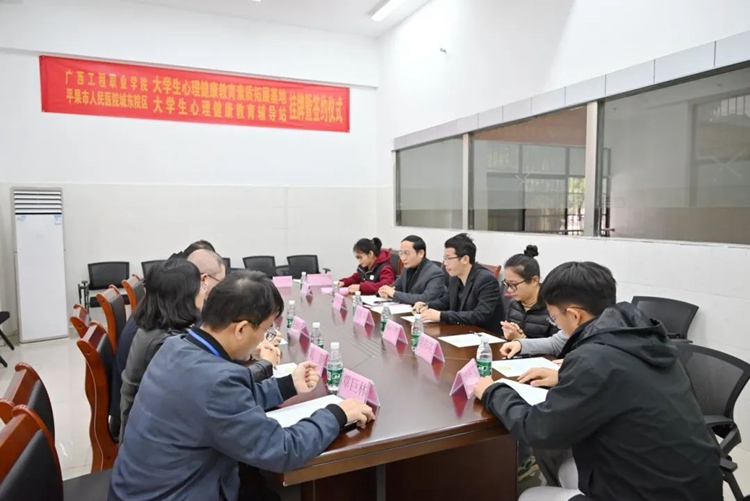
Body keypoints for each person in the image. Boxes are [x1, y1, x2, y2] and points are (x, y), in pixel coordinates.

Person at [109, 271, 375, 501]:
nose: (263, 339)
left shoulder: (175, 346)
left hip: (139, 488)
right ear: (241, 329)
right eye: (265, 330)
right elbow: (283, 449)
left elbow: (223, 405)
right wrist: (336, 414)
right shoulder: (216, 382)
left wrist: (286, 386)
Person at [473, 262, 722, 501]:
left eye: (554, 318)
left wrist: (493, 391)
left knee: (530, 495)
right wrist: (566, 375)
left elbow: (538, 429)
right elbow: (624, 380)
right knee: (560, 456)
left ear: (574, 315)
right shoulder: (647, 338)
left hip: (648, 492)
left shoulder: (593, 359)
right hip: (692, 484)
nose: (556, 324)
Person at [413, 233, 503, 333]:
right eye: (444, 258)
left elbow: (481, 315)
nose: (445, 263)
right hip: (463, 331)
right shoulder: (455, 277)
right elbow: (446, 301)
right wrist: (428, 305)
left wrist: (441, 316)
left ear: (465, 259)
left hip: (485, 335)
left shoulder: (486, 280)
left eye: (449, 258)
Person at [501, 245, 557, 341]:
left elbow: (556, 346)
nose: (509, 290)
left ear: (534, 280)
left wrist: (521, 339)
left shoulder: (553, 307)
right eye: (507, 284)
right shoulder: (513, 303)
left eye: (513, 284)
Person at [377, 235, 446, 305]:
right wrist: (384, 291)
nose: (402, 258)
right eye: (401, 253)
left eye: (406, 253)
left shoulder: (435, 273)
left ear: (421, 253)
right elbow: (395, 287)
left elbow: (426, 299)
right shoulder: (406, 269)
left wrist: (393, 293)